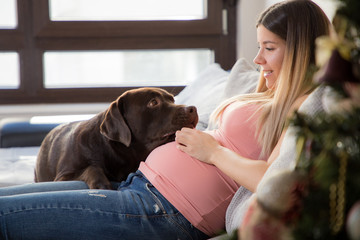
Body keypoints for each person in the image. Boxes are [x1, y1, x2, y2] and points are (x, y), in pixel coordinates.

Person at [0, 1, 330, 239]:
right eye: (259, 47)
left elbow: (276, 180)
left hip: (161, 210)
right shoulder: (271, 97)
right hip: (135, 186)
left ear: (301, 49)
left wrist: (213, 152)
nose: (258, 60)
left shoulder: (308, 107)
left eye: (269, 48)